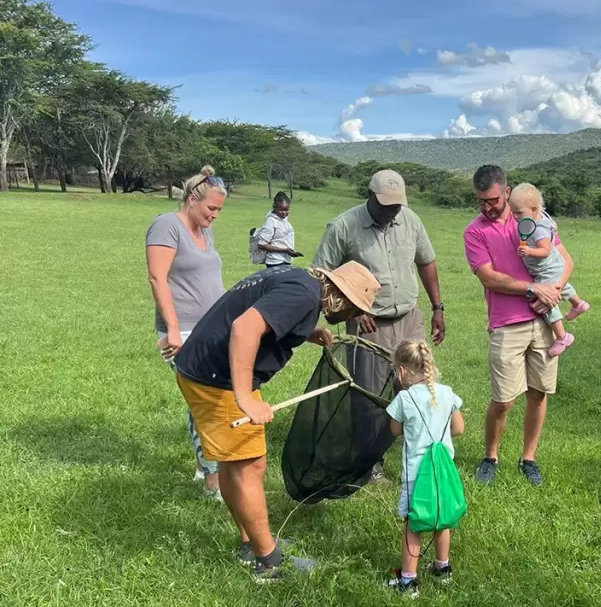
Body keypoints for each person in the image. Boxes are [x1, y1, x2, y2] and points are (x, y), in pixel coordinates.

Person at [174, 261, 381, 581]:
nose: (352, 318)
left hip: (200, 368)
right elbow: (244, 328)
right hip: (219, 380)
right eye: (354, 310)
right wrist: (244, 397)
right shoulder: (303, 296)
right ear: (342, 297)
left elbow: (264, 309)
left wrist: (304, 330)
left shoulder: (297, 278)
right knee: (250, 467)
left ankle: (252, 544)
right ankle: (270, 563)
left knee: (234, 464)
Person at [311, 168, 445, 486]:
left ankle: (422, 455)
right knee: (370, 395)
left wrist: (438, 307)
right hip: (370, 325)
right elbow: (319, 276)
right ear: (370, 196)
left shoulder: (410, 220)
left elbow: (426, 262)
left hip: (409, 319)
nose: (391, 211)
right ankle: (371, 463)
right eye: (386, 205)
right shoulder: (343, 226)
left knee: (417, 389)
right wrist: (351, 313)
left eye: (396, 205)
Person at [464, 165, 575, 487]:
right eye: (480, 201)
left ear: (507, 191)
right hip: (506, 323)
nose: (487, 207)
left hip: (544, 319)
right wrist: (532, 288)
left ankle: (529, 458)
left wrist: (553, 291)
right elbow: (488, 276)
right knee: (503, 399)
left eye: (493, 200)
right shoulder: (475, 231)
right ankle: (490, 455)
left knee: (539, 394)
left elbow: (565, 260)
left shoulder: (530, 216)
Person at [145, 165, 227, 500]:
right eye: (211, 208)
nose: (215, 216)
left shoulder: (204, 230)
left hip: (210, 328)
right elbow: (157, 278)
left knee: (203, 399)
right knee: (208, 402)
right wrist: (174, 330)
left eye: (220, 210)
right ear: (192, 199)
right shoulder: (167, 225)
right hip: (183, 332)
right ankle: (213, 481)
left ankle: (202, 465)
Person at [385, 339, 465, 597]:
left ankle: (408, 582)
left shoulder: (404, 398)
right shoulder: (447, 393)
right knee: (442, 519)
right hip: (443, 471)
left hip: (416, 475)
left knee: (414, 523)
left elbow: (395, 430)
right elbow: (459, 428)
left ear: (402, 371)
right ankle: (443, 569)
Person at [508, 183, 590, 357]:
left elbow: (544, 251)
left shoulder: (537, 230)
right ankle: (578, 304)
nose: (514, 216)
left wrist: (529, 251)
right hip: (556, 265)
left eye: (519, 213)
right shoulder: (543, 218)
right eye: (512, 211)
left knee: (546, 299)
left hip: (545, 268)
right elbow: (554, 227)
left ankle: (562, 336)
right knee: (562, 287)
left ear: (534, 208)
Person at [256, 192, 301, 268]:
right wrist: (285, 250)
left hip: (285, 260)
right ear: (275, 208)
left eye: (286, 210)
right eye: (281, 210)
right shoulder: (271, 221)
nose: (284, 213)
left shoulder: (284, 220)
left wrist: (290, 251)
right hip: (275, 261)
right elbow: (262, 244)